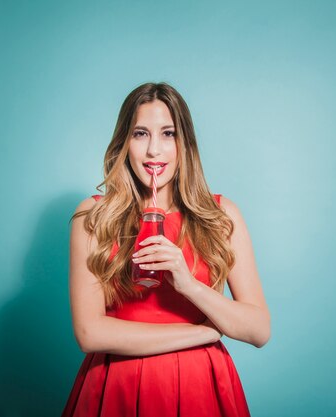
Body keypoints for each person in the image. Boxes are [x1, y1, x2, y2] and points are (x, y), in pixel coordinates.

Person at [61, 82, 270, 417]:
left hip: (200, 389)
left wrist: (187, 284)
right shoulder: (93, 216)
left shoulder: (221, 215)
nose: (154, 151)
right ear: (124, 143)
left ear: (184, 144)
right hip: (116, 387)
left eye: (168, 134)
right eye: (140, 134)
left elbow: (258, 330)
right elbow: (90, 333)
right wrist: (203, 332)